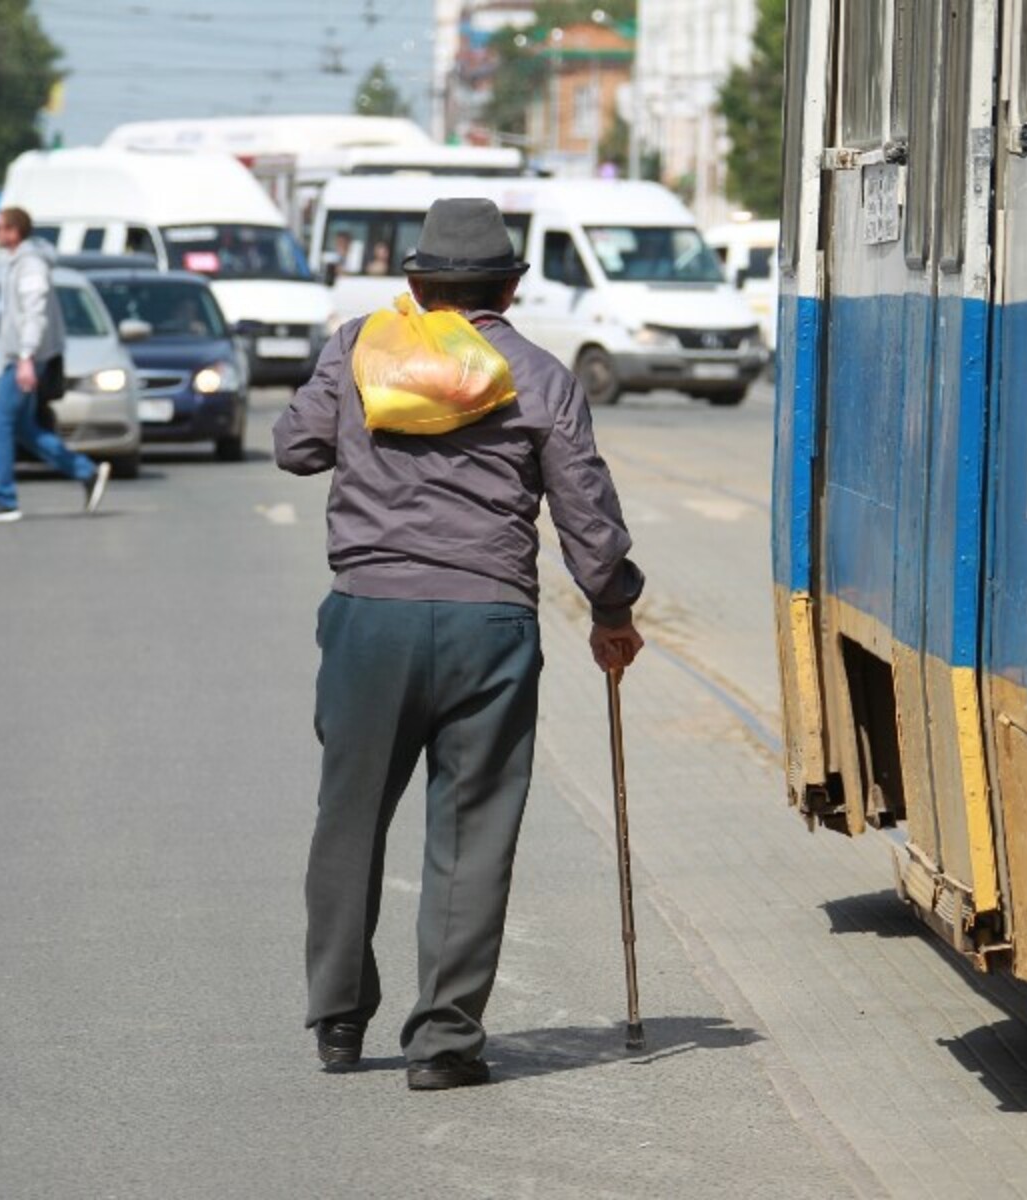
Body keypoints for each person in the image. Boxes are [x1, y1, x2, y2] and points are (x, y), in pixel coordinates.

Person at [274, 197, 645, 1091]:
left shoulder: (364, 345)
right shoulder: (541, 375)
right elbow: (586, 516)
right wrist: (612, 609)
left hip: (370, 619)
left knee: (350, 816)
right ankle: (442, 1043)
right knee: (473, 830)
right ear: (512, 288)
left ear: (415, 280)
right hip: (490, 626)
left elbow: (294, 447)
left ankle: (337, 1022)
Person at [0, 206, 110, 523]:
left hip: (25, 358)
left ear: (14, 232)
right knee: (23, 427)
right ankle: (86, 472)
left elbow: (35, 313)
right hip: (21, 357)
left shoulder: (30, 265)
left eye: (0, 227)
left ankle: (5, 499)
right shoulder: (17, 262)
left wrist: (26, 358)